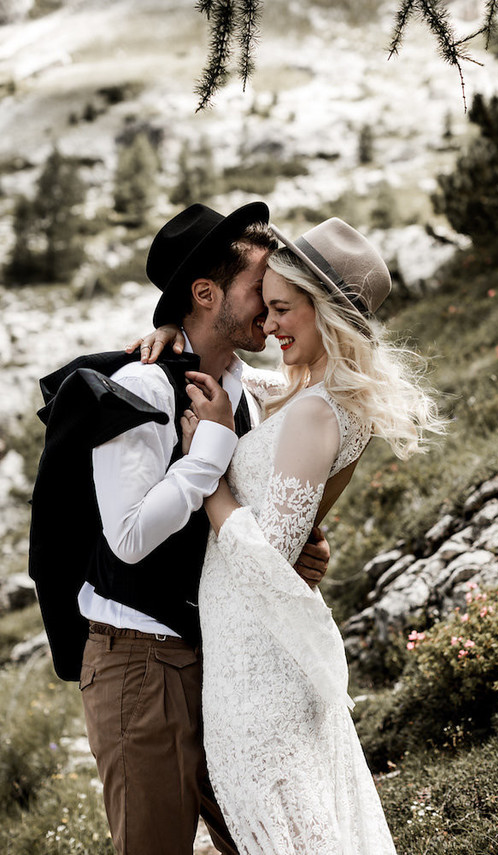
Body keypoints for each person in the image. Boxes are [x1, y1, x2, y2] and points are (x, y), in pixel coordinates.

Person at [144, 217, 446, 853]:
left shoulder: (314, 411)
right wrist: (179, 329)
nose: (270, 324)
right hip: (253, 659)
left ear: (326, 312)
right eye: (267, 305)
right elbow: (242, 382)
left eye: (282, 309)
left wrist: (212, 476)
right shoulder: (311, 393)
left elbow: (269, 560)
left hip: (260, 679)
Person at [75, 202, 332, 855]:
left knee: (263, 838)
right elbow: (128, 536)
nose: (271, 306)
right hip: (139, 662)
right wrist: (209, 452)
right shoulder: (142, 385)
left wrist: (295, 547)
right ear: (206, 292)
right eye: (260, 288)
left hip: (217, 661)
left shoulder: (244, 385)